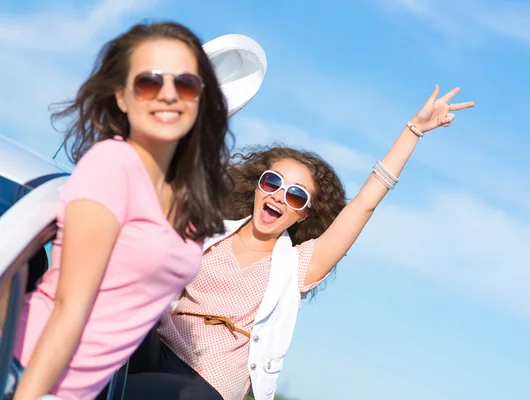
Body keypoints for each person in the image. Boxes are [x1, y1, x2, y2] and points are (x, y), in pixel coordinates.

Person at [111, 84, 475, 400]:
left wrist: (413, 131)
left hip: (206, 384)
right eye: (273, 183)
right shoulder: (210, 230)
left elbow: (364, 204)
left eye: (296, 195)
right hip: (157, 346)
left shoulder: (296, 266)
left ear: (303, 214)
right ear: (257, 186)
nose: (280, 197)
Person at [10, 21, 231, 400]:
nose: (168, 95)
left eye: (185, 84)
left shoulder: (192, 200)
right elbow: (69, 308)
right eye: (149, 82)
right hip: (26, 372)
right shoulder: (113, 165)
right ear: (123, 98)